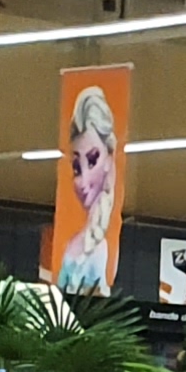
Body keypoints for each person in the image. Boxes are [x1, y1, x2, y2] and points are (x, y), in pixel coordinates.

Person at [53, 85, 119, 296]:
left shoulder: (101, 248)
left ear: (108, 160)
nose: (83, 182)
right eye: (76, 168)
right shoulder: (73, 242)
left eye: (92, 161)